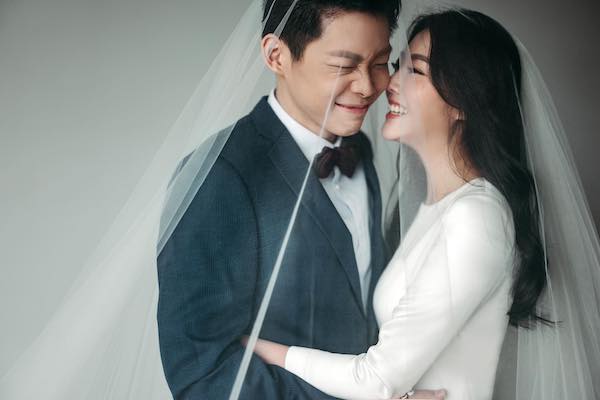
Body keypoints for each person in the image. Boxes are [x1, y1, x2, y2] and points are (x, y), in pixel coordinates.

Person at [246, 8, 599, 399]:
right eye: (396, 66)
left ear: (464, 100)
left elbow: (375, 380)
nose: (388, 83)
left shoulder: (476, 218)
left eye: (414, 70)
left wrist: (258, 349)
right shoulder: (434, 207)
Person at [156, 1, 421, 399]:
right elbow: (203, 374)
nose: (368, 87)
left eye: (380, 62)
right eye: (343, 66)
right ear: (276, 55)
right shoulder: (219, 176)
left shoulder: (360, 151)